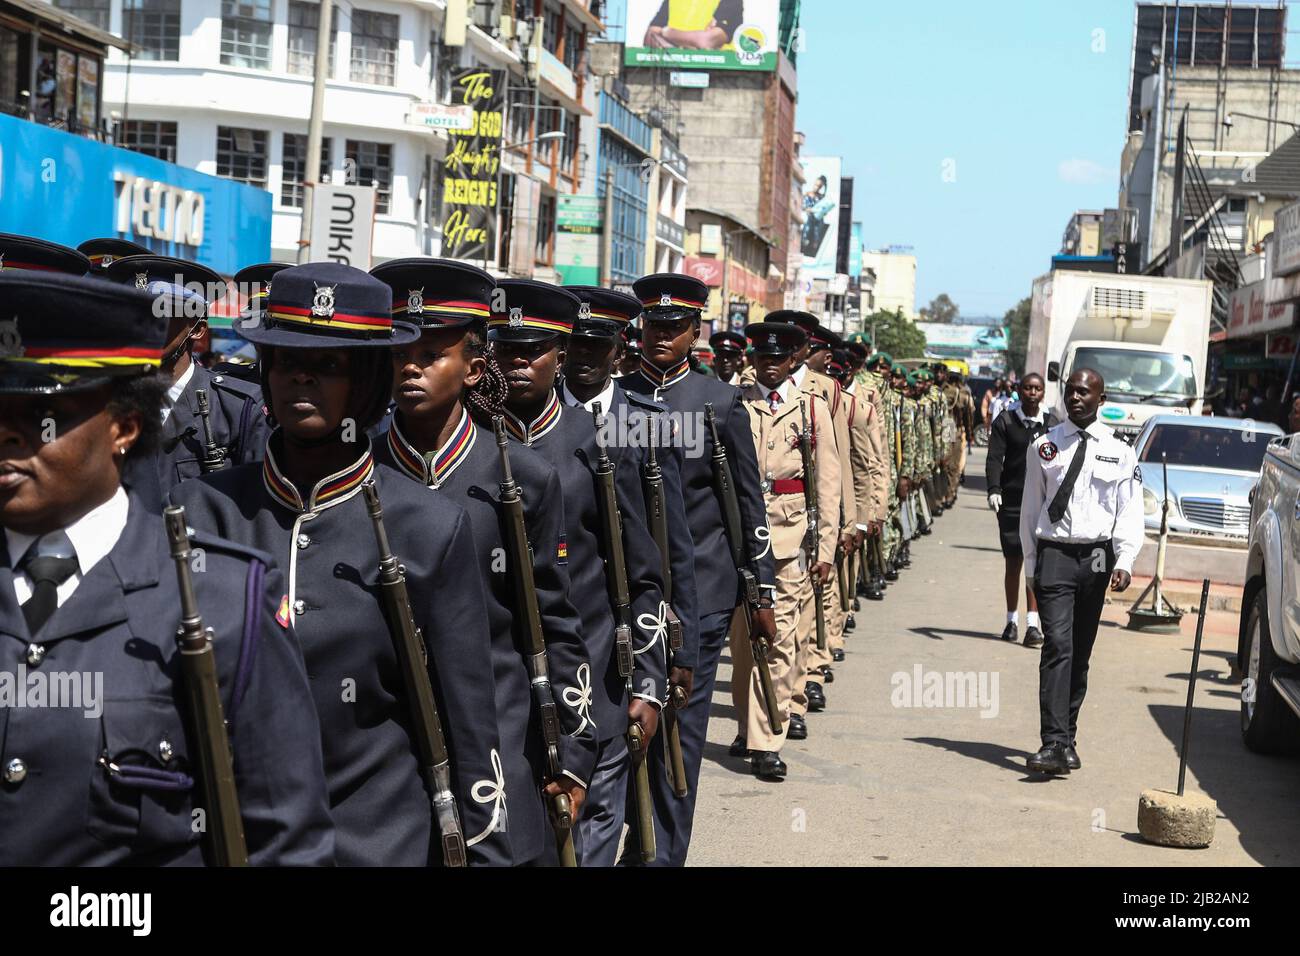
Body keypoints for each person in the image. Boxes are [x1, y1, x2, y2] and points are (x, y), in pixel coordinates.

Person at [172, 262, 510, 865]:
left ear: (369, 382)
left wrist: (485, 847)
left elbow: (467, 716)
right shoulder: (203, 510)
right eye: (285, 360)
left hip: (378, 840)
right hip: (227, 839)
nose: (302, 377)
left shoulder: (428, 525)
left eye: (329, 365)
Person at [0, 270, 333, 865]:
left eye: (39, 414)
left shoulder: (219, 600)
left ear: (123, 427)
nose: (8, 434)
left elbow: (286, 841)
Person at [371, 258, 597, 866]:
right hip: (384, 752)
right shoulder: (359, 476)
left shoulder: (520, 479)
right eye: (397, 353)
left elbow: (553, 619)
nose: (410, 367)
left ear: (473, 369)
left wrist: (574, 748)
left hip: (501, 746)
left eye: (430, 352)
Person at [490, 279, 667, 867]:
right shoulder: (468, 445)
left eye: (530, 350)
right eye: (503, 348)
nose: (515, 363)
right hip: (502, 690)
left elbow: (643, 572)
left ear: (558, 356)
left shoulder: (601, 444)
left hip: (594, 682)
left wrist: (648, 679)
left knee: (588, 842)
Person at [619, 273, 774, 865]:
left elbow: (747, 501)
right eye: (653, 325)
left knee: (677, 737)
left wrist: (760, 590)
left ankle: (662, 857)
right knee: (627, 732)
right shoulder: (618, 395)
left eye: (675, 327)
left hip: (701, 599)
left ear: (694, 331)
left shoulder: (718, 401)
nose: (662, 336)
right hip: (629, 597)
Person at [561, 285, 701, 867]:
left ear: (621, 348)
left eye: (601, 345)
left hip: (619, 627)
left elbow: (670, 552)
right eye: (577, 345)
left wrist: (676, 649)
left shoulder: (644, 425)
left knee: (613, 778)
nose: (587, 358)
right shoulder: (525, 419)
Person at [1020, 369, 1143, 775]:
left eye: (1084, 392)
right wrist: (1031, 565)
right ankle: (1052, 742)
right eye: (1070, 390)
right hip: (1055, 554)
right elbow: (1030, 510)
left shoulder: (1121, 451)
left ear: (1100, 398)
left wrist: (1124, 560)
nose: (1075, 397)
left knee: (1081, 653)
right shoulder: (1044, 446)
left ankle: (1068, 738)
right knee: (1058, 645)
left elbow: (1129, 511)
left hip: (1096, 558)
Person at [731, 322, 839, 778]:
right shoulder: (733, 402)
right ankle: (747, 725)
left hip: (789, 536)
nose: (769, 364)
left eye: (778, 357)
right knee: (741, 641)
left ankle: (767, 740)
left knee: (778, 639)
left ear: (794, 360)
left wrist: (826, 548)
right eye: (762, 357)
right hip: (737, 537)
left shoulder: (811, 409)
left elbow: (828, 483)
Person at [103, 255, 269, 508]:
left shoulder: (239, 409)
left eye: (161, 315)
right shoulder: (99, 400)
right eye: (134, 314)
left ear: (197, 329)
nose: (145, 327)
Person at [985, 373, 1057, 646]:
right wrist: (994, 489)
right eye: (1027, 388)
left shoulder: (1051, 425)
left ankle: (1033, 626)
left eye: (1037, 388)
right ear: (1020, 391)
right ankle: (1011, 621)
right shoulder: (1006, 421)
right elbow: (994, 458)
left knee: (1034, 564)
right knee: (1013, 562)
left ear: (1042, 393)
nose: (1032, 393)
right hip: (1012, 503)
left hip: (1041, 505)